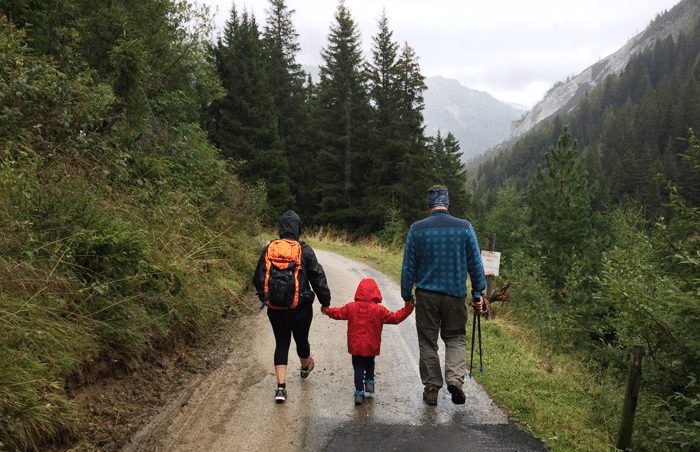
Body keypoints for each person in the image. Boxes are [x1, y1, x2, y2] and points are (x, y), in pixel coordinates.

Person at [400, 185, 486, 406]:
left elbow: (408, 266)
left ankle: (431, 390)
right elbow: (476, 264)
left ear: (429, 204)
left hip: (427, 296)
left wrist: (406, 294)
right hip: (455, 295)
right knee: (455, 338)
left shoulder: (417, 229)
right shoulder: (464, 228)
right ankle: (455, 379)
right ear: (447, 202)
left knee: (428, 342)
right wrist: (479, 293)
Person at [253, 210, 331, 403]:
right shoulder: (304, 250)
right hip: (301, 308)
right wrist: (325, 302)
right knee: (301, 340)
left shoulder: (269, 248)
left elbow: (258, 278)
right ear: (298, 229)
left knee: (281, 343)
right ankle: (305, 368)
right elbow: (317, 277)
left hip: (276, 309)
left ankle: (280, 389)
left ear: (281, 229)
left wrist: (268, 298)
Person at [324, 278, 414, 405]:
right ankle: (370, 382)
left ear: (358, 292)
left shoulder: (351, 307)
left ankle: (359, 392)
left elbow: (338, 313)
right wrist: (408, 309)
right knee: (370, 362)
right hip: (371, 345)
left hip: (355, 345)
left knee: (358, 367)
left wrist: (327, 311)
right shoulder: (380, 310)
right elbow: (395, 318)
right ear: (376, 292)